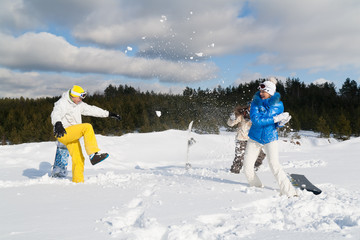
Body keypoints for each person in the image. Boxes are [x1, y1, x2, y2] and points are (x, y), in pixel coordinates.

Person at [51, 85, 121, 183]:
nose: (81, 100)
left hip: (72, 135)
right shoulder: (62, 103)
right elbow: (56, 113)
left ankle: (78, 181)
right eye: (80, 97)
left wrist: (109, 114)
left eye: (82, 98)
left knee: (79, 159)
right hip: (63, 133)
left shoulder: (79, 104)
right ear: (73, 95)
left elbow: (92, 110)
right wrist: (57, 123)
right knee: (87, 127)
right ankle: (93, 155)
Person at [243, 77, 297, 197]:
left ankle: (290, 192)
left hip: (270, 137)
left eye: (264, 91)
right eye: (260, 91)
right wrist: (275, 119)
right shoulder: (255, 103)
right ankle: (257, 188)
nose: (261, 94)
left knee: (274, 165)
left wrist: (282, 122)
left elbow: (276, 124)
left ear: (271, 92)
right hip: (254, 137)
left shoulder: (278, 105)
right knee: (247, 168)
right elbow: (256, 121)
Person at [227, 104, 266, 173]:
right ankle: (234, 172)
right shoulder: (241, 114)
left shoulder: (258, 116)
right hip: (241, 138)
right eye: (250, 107)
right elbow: (230, 124)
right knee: (240, 156)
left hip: (253, 139)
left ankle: (253, 168)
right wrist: (232, 119)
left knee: (261, 155)